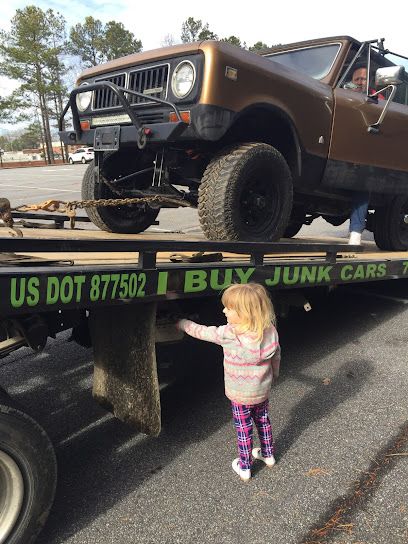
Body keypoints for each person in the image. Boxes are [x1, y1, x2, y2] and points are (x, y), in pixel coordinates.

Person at [177, 283, 280, 482]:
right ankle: (268, 455)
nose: (224, 310)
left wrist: (181, 323)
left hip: (239, 394)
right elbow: (277, 356)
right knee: (263, 421)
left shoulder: (229, 334)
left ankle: (245, 466)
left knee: (243, 428)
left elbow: (201, 331)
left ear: (245, 313)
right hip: (262, 390)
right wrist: (274, 375)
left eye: (229, 308)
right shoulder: (270, 331)